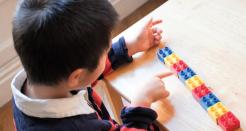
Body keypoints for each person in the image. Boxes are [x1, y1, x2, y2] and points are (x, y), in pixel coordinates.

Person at [11, 0, 172, 130]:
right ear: (76, 76)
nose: (108, 50)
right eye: (106, 50)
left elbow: (85, 75)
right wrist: (141, 103)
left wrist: (128, 46)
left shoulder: (37, 82)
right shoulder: (80, 127)